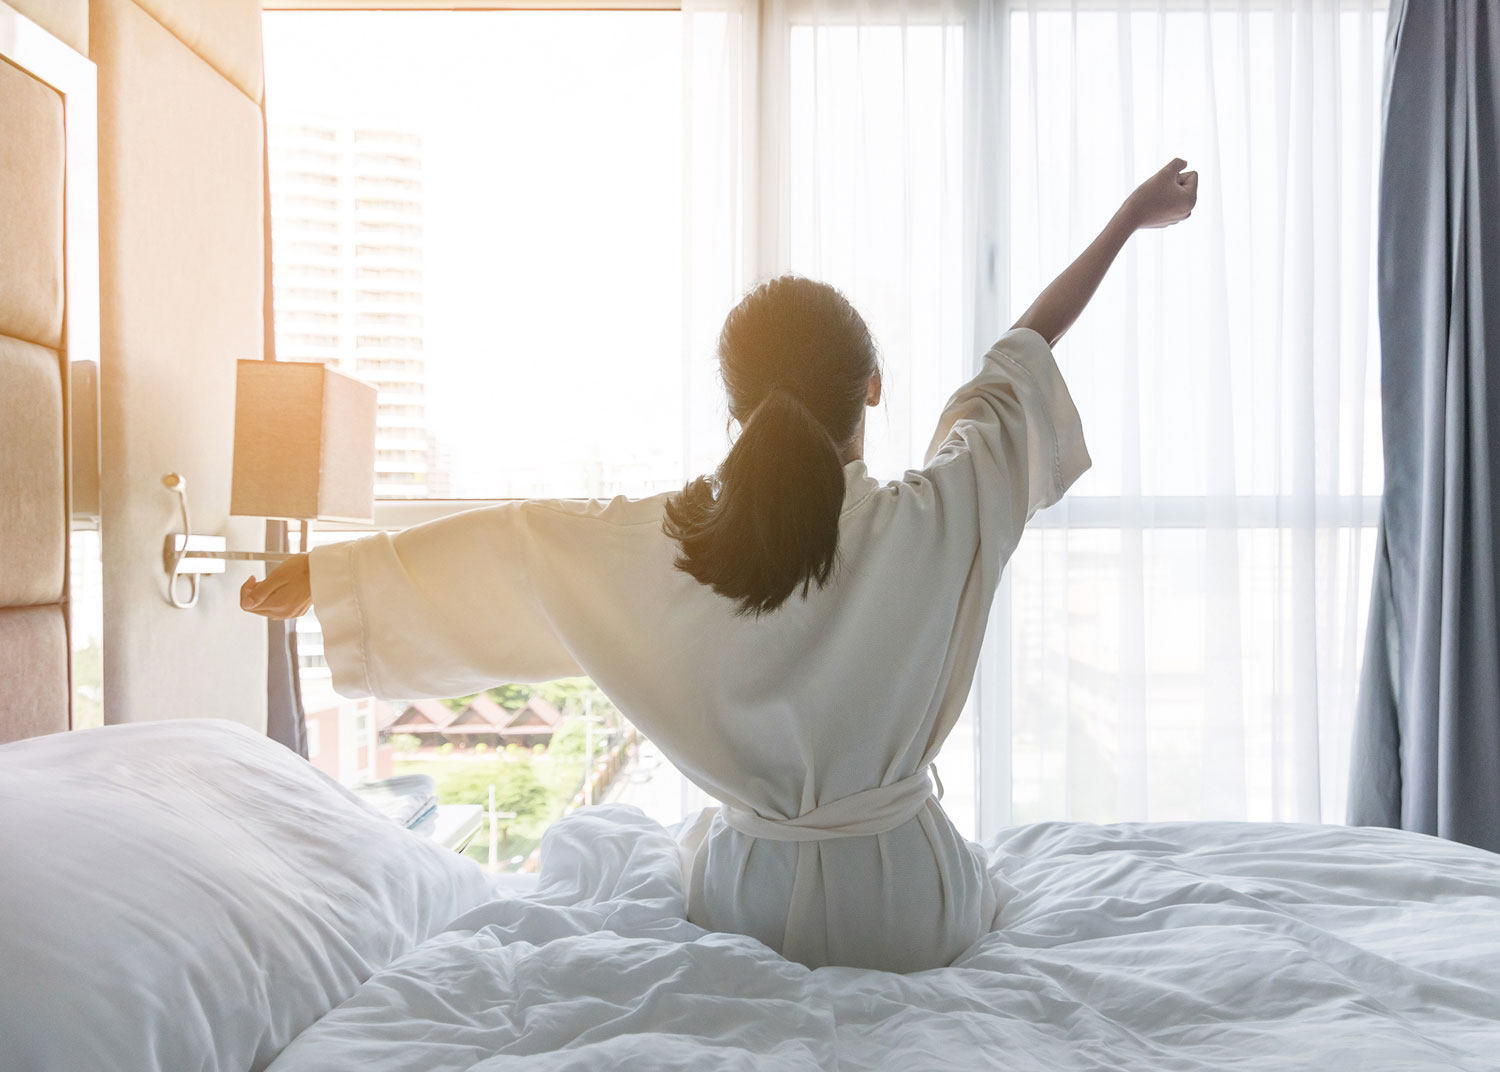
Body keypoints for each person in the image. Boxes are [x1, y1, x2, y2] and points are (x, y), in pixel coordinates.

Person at [242, 158, 1198, 973]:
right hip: (913, 909)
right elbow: (1015, 362)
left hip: (750, 900)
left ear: (735, 409)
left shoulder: (672, 540)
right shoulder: (940, 515)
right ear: (873, 386)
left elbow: (518, 543)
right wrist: (1125, 219)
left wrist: (337, 577)